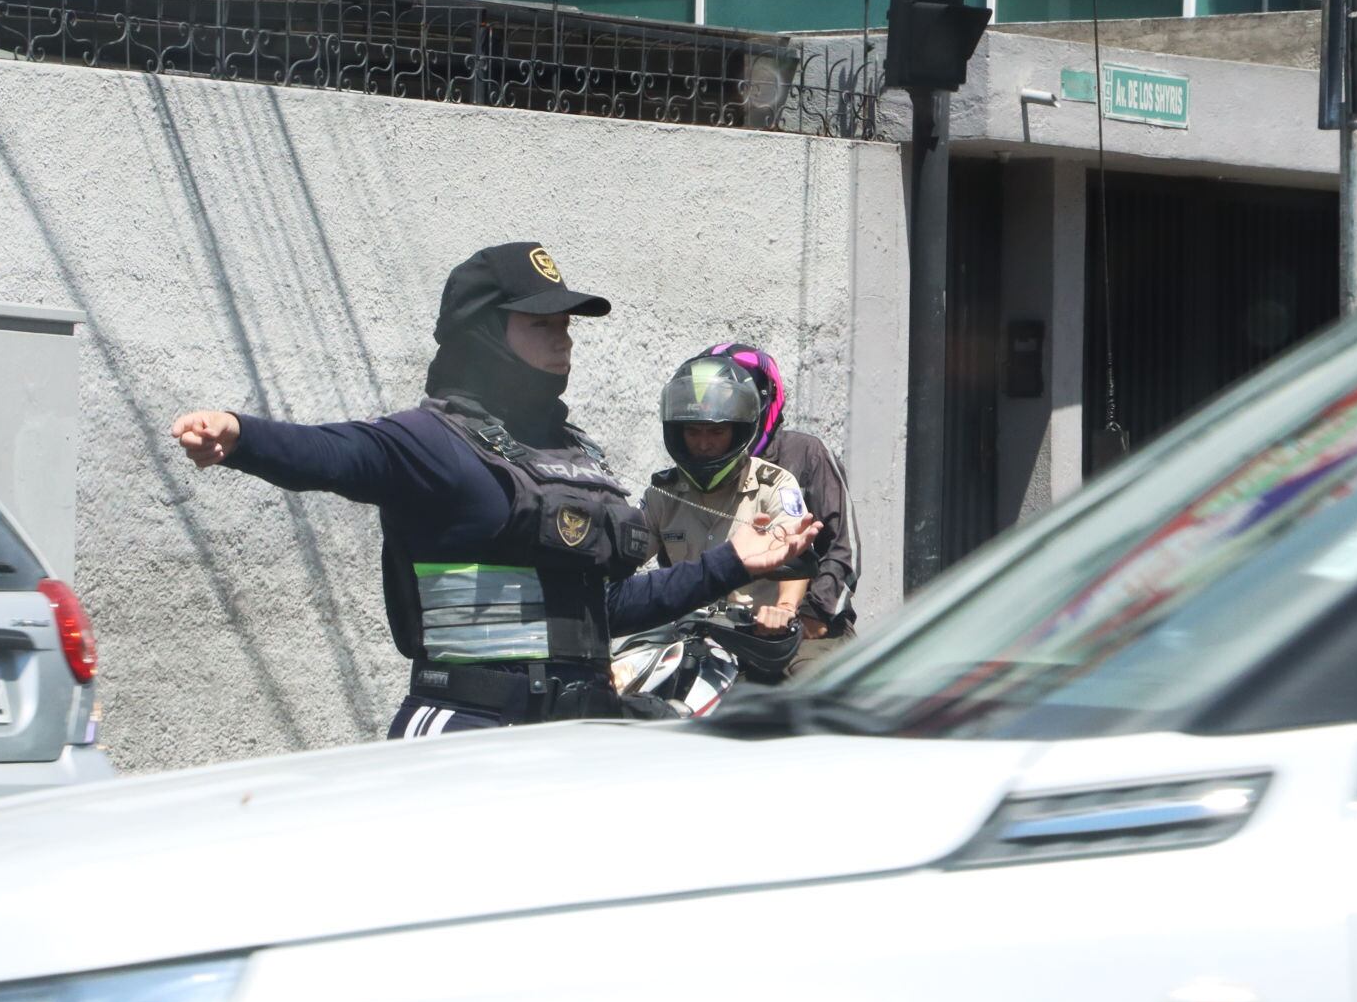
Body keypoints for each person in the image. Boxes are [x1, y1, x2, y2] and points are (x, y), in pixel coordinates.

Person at [170, 241, 816, 737]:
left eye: (565, 327)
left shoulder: (576, 456)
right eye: (542, 326)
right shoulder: (432, 442)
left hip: (576, 733)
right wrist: (242, 436)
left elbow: (606, 611)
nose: (563, 341)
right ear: (483, 332)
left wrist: (733, 563)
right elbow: (338, 454)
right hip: (465, 732)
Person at [700, 341, 861, 678]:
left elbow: (844, 549)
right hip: (725, 630)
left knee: (811, 692)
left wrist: (810, 616)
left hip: (803, 631)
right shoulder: (700, 463)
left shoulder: (807, 454)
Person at [640, 352, 812, 650]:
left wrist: (783, 608)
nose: (703, 444)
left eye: (717, 432)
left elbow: (795, 555)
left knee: (809, 684)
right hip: (682, 643)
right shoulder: (662, 494)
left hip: (756, 641)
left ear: (739, 430)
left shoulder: (774, 485)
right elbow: (625, 559)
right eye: (693, 432)